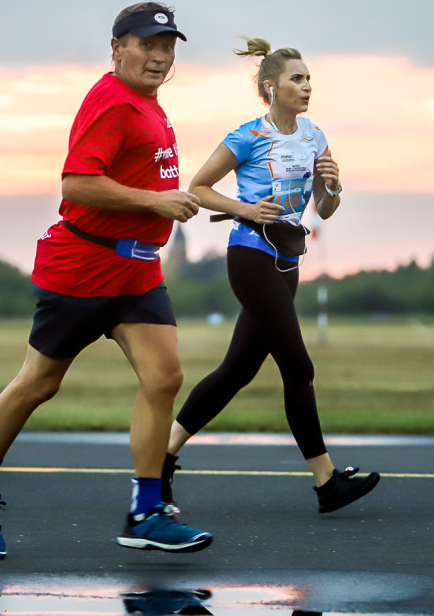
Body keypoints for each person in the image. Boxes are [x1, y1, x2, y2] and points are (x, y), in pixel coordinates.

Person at [0, 2, 212, 559]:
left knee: (165, 378)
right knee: (39, 384)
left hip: (137, 271)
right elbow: (76, 184)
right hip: (85, 268)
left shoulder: (149, 105)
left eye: (168, 46)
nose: (160, 55)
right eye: (146, 44)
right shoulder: (112, 102)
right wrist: (154, 201)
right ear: (117, 48)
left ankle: (146, 512)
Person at [162, 38, 380, 513]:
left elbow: (324, 208)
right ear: (270, 87)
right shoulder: (247, 136)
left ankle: (162, 455)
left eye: (309, 81)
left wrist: (335, 186)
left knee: (237, 370)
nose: (306, 88)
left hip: (288, 263)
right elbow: (198, 187)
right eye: (297, 79)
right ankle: (326, 482)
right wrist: (245, 209)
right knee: (299, 368)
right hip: (251, 258)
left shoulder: (315, 137)